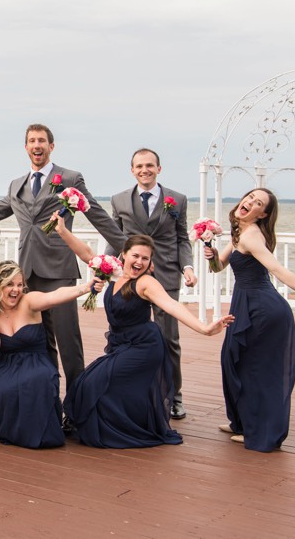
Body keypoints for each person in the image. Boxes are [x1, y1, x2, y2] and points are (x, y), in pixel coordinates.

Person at [52, 223, 233, 448]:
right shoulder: (115, 273)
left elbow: (171, 305)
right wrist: (62, 231)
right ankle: (118, 422)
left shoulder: (146, 282)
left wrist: (203, 329)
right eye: (135, 256)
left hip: (144, 347)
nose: (139, 262)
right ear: (124, 254)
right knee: (85, 382)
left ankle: (115, 428)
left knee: (94, 383)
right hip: (120, 345)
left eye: (145, 259)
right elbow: (86, 254)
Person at [0, 124, 126, 411]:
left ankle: (78, 408)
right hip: (27, 276)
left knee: (68, 342)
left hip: (60, 271)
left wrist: (127, 247)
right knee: (41, 345)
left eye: (41, 140)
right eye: (31, 141)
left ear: (51, 146)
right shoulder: (16, 184)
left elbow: (97, 215)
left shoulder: (69, 177)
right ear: (26, 147)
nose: (36, 145)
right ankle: (50, 403)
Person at [205, 188, 295, 452]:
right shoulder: (238, 232)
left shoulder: (252, 234)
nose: (250, 203)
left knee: (257, 370)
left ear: (262, 214)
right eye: (250, 197)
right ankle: (242, 422)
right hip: (246, 304)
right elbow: (218, 268)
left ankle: (259, 430)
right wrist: (209, 249)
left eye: (258, 203)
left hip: (263, 309)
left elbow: (278, 270)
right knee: (233, 360)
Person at [109, 148, 196, 420]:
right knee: (127, 334)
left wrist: (188, 267)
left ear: (159, 168)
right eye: (139, 166)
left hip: (166, 275)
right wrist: (104, 269)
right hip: (130, 278)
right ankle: (134, 391)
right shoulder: (119, 199)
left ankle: (173, 397)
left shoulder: (178, 200)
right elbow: (115, 238)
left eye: (149, 165)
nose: (144, 170)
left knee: (168, 338)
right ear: (132, 170)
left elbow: (182, 238)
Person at [0, 261, 99, 448]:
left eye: (20, 285)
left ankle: (39, 432)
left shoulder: (29, 301)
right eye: (10, 285)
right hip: (5, 365)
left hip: (35, 360)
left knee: (37, 381)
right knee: (5, 390)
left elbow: (56, 295)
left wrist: (86, 287)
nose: (16, 290)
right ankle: (15, 432)